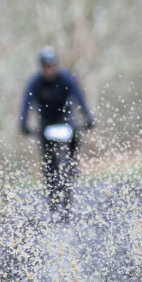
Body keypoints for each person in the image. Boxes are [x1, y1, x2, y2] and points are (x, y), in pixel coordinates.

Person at [18, 47, 95, 218]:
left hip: (65, 119)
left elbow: (79, 97)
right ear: (41, 67)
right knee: (49, 164)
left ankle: (72, 162)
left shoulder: (66, 78)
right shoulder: (35, 82)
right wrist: (23, 123)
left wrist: (88, 117)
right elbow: (26, 104)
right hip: (46, 123)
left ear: (56, 65)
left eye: (52, 66)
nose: (49, 70)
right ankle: (52, 198)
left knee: (75, 135)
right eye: (46, 67)